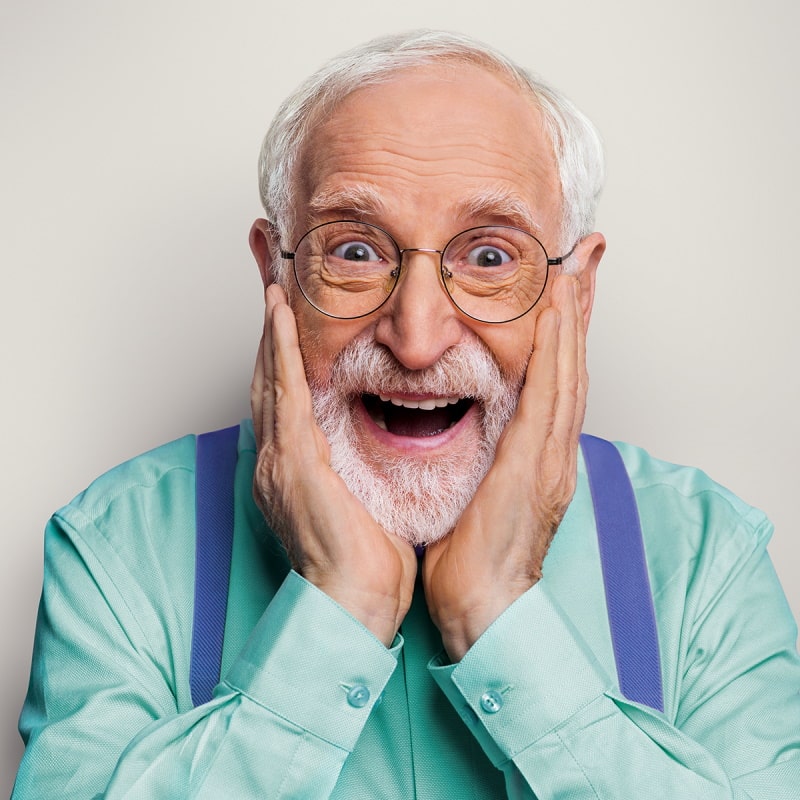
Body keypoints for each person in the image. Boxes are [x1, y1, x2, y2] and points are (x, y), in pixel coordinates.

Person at [12, 29, 800, 799]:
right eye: (355, 251)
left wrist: (500, 612)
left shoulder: (708, 558)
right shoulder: (115, 548)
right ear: (274, 274)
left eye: (489, 256)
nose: (417, 340)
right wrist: (337, 608)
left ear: (578, 291)